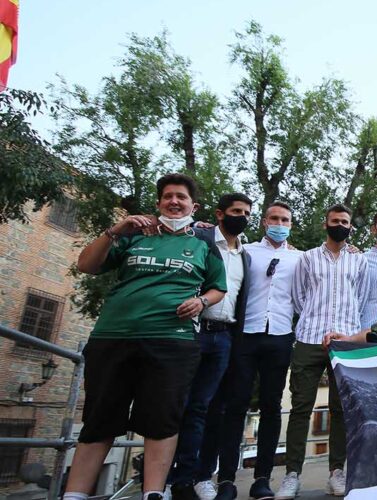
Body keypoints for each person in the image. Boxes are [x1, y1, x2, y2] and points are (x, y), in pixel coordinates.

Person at [65, 173, 227, 500]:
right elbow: (86, 265)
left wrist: (200, 301)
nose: (174, 202)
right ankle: (74, 495)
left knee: (163, 419)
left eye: (181, 197)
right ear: (158, 203)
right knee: (99, 418)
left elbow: (218, 288)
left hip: (172, 340)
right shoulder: (131, 236)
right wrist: (115, 231)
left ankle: (153, 492)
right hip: (113, 335)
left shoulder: (203, 243)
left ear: (192, 205)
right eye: (168, 196)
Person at [209, 201, 303, 500]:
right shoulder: (246, 251)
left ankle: (262, 479)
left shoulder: (300, 258)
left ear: (291, 224)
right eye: (274, 218)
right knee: (235, 406)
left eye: (285, 219)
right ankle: (226, 480)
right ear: (264, 222)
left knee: (272, 407)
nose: (280, 223)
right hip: (246, 335)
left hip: (280, 336)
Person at [168, 193, 254, 500]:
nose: (241, 217)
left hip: (225, 337)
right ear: (220, 214)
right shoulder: (199, 237)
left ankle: (201, 475)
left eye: (246, 213)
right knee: (178, 404)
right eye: (235, 211)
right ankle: (170, 478)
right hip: (192, 332)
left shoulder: (246, 255)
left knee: (208, 408)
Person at [282, 204, 371, 498]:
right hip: (309, 338)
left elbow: (362, 298)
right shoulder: (307, 258)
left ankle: (337, 472)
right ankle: (292, 475)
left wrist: (345, 330)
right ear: (325, 224)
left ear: (350, 227)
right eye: (335, 221)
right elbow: (298, 297)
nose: (340, 225)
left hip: (345, 342)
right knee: (300, 408)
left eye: (345, 221)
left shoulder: (359, 262)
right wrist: (316, 321)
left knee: (341, 410)